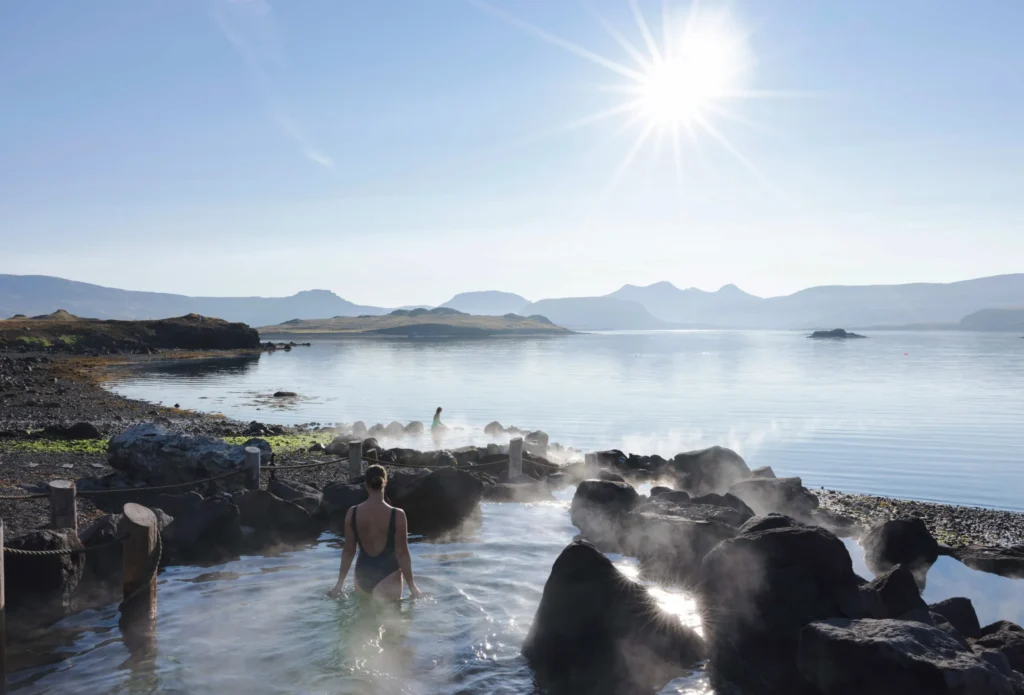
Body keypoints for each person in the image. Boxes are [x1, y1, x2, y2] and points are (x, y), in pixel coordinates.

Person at [329, 465, 423, 601]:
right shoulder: (397, 515)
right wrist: (413, 587)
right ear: (385, 482)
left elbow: (349, 551)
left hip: (362, 574)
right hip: (389, 575)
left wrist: (339, 584)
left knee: (363, 619)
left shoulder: (353, 513)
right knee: (392, 619)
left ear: (366, 485)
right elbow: (402, 553)